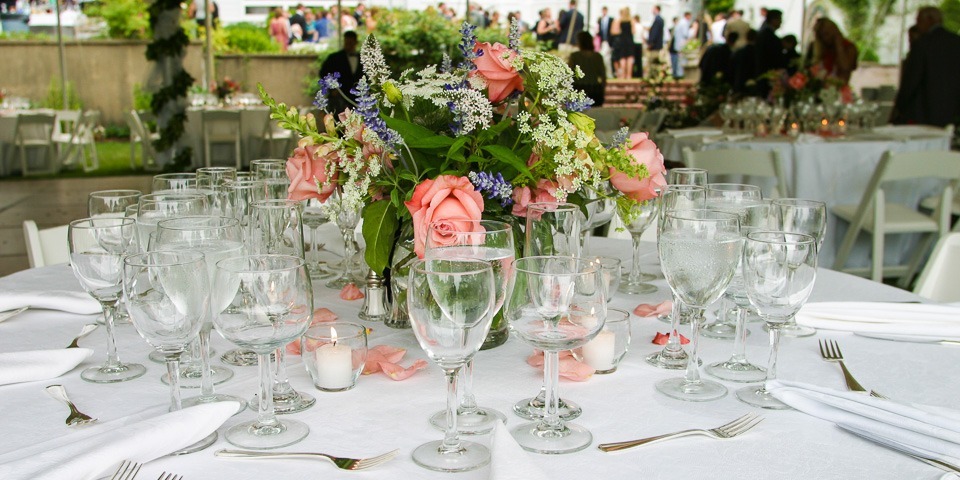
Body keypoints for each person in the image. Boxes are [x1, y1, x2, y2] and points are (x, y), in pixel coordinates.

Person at [893, 6, 960, 127]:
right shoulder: (956, 42)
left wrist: (899, 107)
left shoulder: (923, 44)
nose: (917, 25)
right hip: (952, 111)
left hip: (924, 113)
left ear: (929, 20)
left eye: (919, 20)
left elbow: (911, 80)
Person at [320, 31, 364, 115]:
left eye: (351, 43)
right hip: (339, 97)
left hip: (358, 98)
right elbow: (323, 73)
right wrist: (332, 89)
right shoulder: (334, 58)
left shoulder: (363, 59)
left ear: (356, 43)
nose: (349, 45)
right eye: (347, 42)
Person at [804, 18, 858, 84]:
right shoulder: (817, 47)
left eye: (826, 34)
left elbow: (845, 68)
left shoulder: (848, 47)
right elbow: (809, 69)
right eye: (821, 35)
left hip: (838, 88)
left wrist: (839, 45)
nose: (824, 38)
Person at [569, 31, 606, 106]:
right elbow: (603, 75)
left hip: (578, 88)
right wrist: (602, 89)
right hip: (594, 88)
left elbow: (570, 73)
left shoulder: (575, 56)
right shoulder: (598, 56)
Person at [755, 9, 786, 96]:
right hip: (768, 76)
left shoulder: (763, 34)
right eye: (780, 20)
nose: (781, 22)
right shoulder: (769, 37)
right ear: (773, 20)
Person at [731, 29, 759, 97]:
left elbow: (732, 66)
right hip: (753, 84)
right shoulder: (758, 53)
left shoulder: (739, 52)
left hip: (738, 82)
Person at [610, 7, 635, 79]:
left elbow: (615, 31)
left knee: (622, 58)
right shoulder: (631, 20)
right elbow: (633, 31)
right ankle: (629, 75)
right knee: (630, 58)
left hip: (622, 40)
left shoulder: (619, 20)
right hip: (630, 41)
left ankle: (622, 75)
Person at [646, 5, 665, 74]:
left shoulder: (658, 20)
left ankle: (653, 74)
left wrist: (651, 43)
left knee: (653, 61)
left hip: (655, 45)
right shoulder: (659, 19)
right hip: (657, 44)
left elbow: (655, 32)